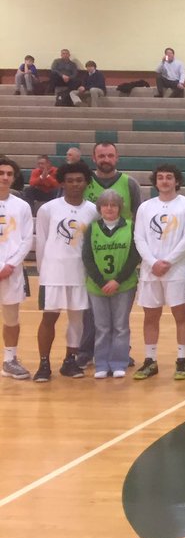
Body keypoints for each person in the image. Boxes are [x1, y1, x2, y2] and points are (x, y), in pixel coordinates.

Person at [132, 164, 185, 381]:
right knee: (151, 316)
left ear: (177, 181)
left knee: (182, 315)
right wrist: (152, 263)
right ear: (155, 182)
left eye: (169, 177)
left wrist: (167, 261)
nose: (165, 181)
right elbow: (139, 237)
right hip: (150, 271)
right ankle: (150, 360)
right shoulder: (145, 207)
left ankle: (182, 359)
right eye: (160, 177)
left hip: (177, 270)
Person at [32, 162, 97, 382]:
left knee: (77, 319)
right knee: (49, 317)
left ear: (86, 182)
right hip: (53, 272)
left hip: (79, 272)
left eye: (79, 180)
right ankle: (44, 363)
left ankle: (70, 361)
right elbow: (41, 241)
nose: (75, 184)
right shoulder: (48, 209)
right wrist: (42, 271)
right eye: (70, 181)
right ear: (62, 183)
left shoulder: (93, 211)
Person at [82, 190, 140, 379]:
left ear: (119, 208)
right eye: (105, 205)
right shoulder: (92, 229)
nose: (109, 208)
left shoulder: (130, 227)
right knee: (102, 326)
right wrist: (101, 282)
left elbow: (134, 257)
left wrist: (117, 281)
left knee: (121, 326)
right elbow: (87, 258)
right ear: (99, 208)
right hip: (97, 286)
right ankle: (101, 364)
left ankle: (118, 363)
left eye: (113, 205)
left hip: (124, 285)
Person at [0, 157, 33, 379]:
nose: (5, 177)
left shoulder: (22, 206)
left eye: (9, 174)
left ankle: (9, 360)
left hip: (12, 272)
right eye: (1, 173)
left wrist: (10, 265)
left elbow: (27, 239)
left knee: (11, 318)